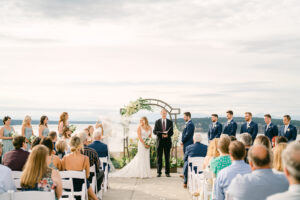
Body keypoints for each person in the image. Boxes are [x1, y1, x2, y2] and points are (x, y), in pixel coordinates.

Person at [153, 109, 174, 177]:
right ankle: (159, 172)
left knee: (167, 157)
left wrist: (167, 135)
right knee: (159, 157)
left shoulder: (170, 122)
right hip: (160, 142)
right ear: (161, 113)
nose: (164, 114)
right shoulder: (157, 121)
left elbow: (172, 132)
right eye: (163, 113)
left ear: (166, 114)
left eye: (165, 113)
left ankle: (167, 172)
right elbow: (154, 131)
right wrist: (161, 134)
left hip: (167, 142)